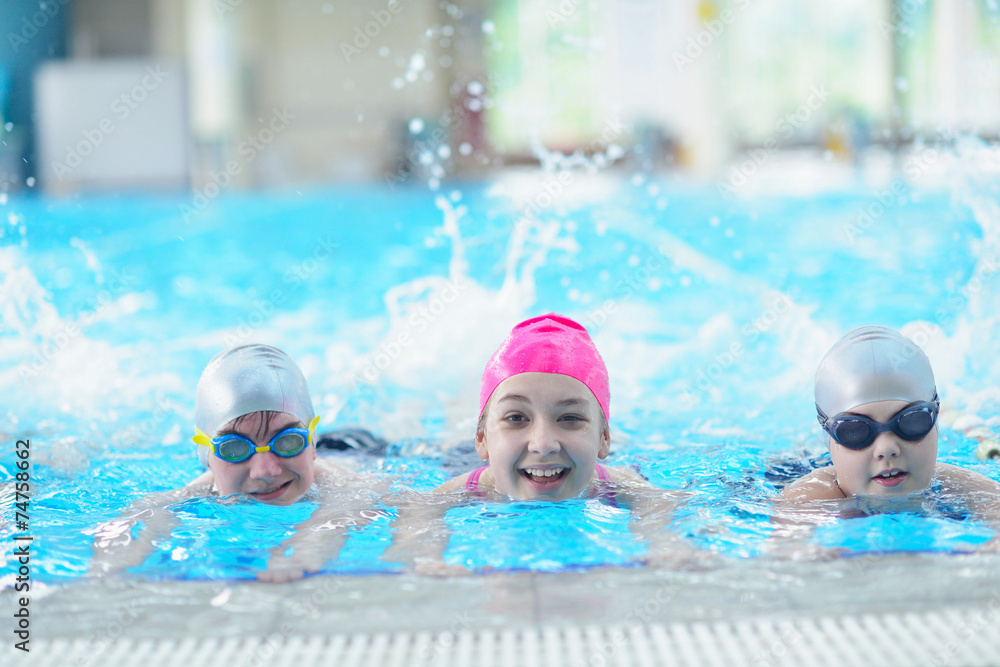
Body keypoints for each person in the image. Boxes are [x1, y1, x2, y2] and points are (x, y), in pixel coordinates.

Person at [386, 314, 690, 571]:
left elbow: (657, 501)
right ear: (481, 440)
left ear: (604, 440)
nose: (543, 444)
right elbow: (419, 509)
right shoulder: (475, 487)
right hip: (459, 456)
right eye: (517, 418)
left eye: (570, 418)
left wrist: (667, 544)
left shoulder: (611, 483)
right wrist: (424, 556)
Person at [89, 344, 380, 581]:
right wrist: (111, 567)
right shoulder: (195, 493)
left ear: (312, 443)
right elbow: (138, 517)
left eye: (289, 441)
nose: (266, 471)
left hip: (358, 447)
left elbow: (366, 507)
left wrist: (307, 548)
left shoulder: (342, 482)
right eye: (234, 448)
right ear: (207, 458)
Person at [780, 326, 1000, 514]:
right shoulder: (805, 502)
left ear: (936, 422)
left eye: (912, 421)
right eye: (855, 431)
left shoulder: (967, 489)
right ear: (828, 439)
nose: (887, 448)